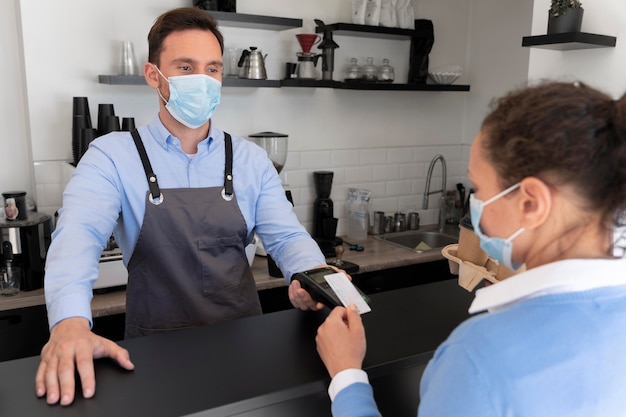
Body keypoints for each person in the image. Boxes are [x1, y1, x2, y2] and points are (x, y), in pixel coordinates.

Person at [36, 7, 330, 406]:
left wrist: (315, 278)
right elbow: (77, 237)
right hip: (153, 357)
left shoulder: (248, 158)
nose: (202, 81)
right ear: (154, 75)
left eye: (212, 69)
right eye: (185, 67)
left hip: (244, 349)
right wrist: (69, 324)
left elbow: (287, 236)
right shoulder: (112, 155)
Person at [316, 81, 626, 416]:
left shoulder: (482, 356)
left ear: (531, 202)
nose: (474, 204)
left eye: (478, 188)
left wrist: (346, 374)